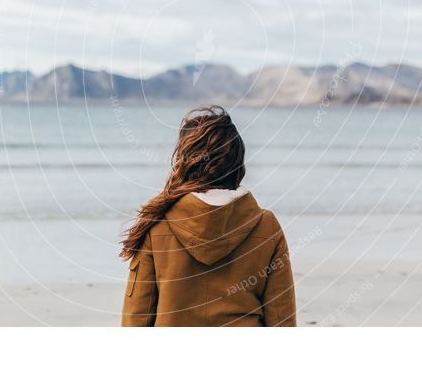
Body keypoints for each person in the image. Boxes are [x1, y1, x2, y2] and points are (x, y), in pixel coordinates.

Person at [120, 105, 296, 326]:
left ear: (185, 162)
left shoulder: (156, 225)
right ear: (238, 161)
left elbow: (136, 319)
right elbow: (282, 320)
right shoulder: (267, 226)